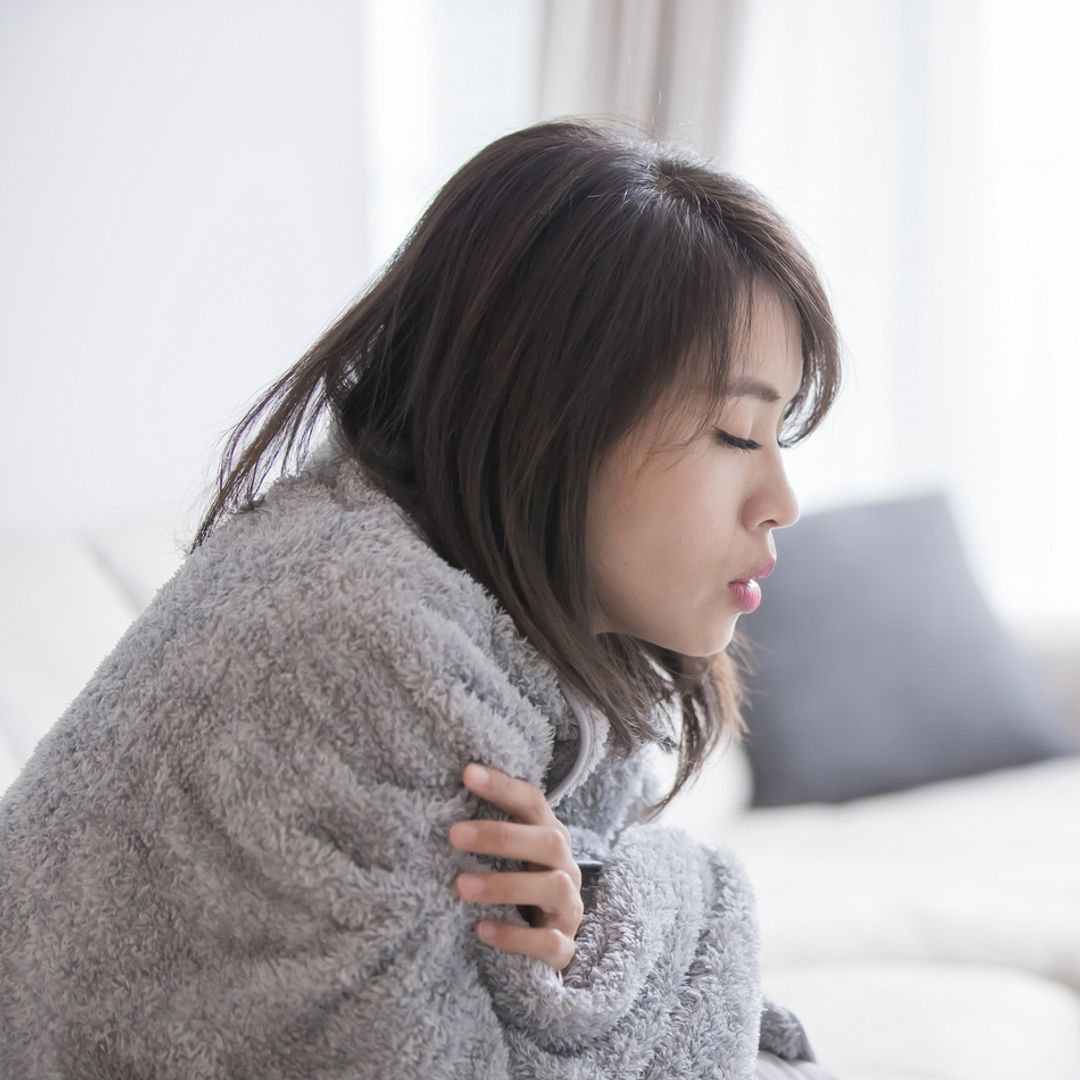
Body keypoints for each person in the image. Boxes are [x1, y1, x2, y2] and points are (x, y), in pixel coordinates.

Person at [0, 116, 844, 1077]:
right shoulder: (362, 645)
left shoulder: (494, 632)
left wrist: (584, 922)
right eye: (739, 431)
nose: (781, 501)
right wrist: (688, 907)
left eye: (783, 436)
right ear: (554, 409)